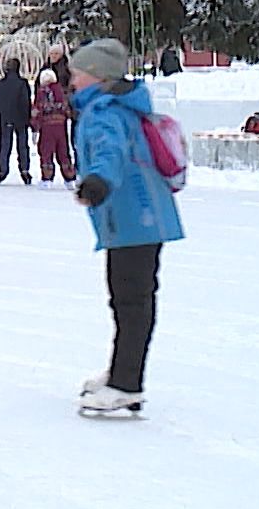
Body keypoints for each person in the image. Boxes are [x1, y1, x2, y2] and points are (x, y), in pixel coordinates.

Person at [67, 39, 185, 414]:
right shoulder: (117, 106)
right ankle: (121, 372)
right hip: (139, 217)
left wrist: (97, 182)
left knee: (131, 300)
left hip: (134, 217)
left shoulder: (104, 112)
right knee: (127, 298)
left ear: (98, 76)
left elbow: (109, 151)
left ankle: (127, 383)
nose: (71, 78)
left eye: (77, 72)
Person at [32, 68, 76, 188]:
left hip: (47, 127)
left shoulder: (42, 92)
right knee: (63, 151)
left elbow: (37, 110)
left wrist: (35, 126)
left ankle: (47, 178)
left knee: (46, 151)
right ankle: (69, 178)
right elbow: (67, 109)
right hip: (61, 126)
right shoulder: (61, 91)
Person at [0, 57, 34, 185]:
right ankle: (24, 169)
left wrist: (2, 113)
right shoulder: (23, 83)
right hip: (21, 119)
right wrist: (26, 117)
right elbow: (25, 102)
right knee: (22, 145)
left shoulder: (0, 84)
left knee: (5, 145)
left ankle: (2, 170)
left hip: (5, 118)